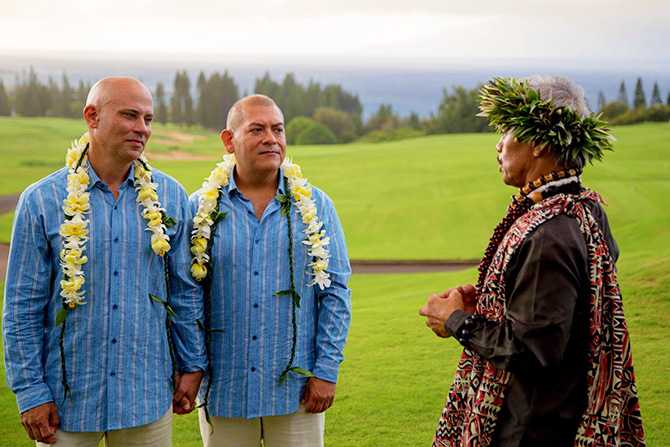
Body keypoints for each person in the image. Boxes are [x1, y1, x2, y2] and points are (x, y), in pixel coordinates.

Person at [419, 76, 645, 447]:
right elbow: (561, 313)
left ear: (539, 143)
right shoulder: (585, 210)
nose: (498, 144)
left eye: (507, 131)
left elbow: (533, 349)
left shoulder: (549, 232)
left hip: (532, 427)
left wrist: (456, 320)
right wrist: (499, 300)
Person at [2, 77, 207, 446]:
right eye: (130, 115)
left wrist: (193, 365)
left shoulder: (170, 197)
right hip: (67, 401)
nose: (142, 128)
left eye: (148, 118)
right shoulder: (41, 201)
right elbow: (21, 308)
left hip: (145, 397)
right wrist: (31, 391)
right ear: (92, 116)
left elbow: (183, 292)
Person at [188, 94, 351, 446]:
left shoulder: (317, 205)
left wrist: (325, 371)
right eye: (257, 129)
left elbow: (336, 293)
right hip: (224, 391)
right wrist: (192, 366)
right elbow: (188, 299)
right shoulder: (199, 209)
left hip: (298, 392)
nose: (271, 139)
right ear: (229, 141)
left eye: (278, 129)